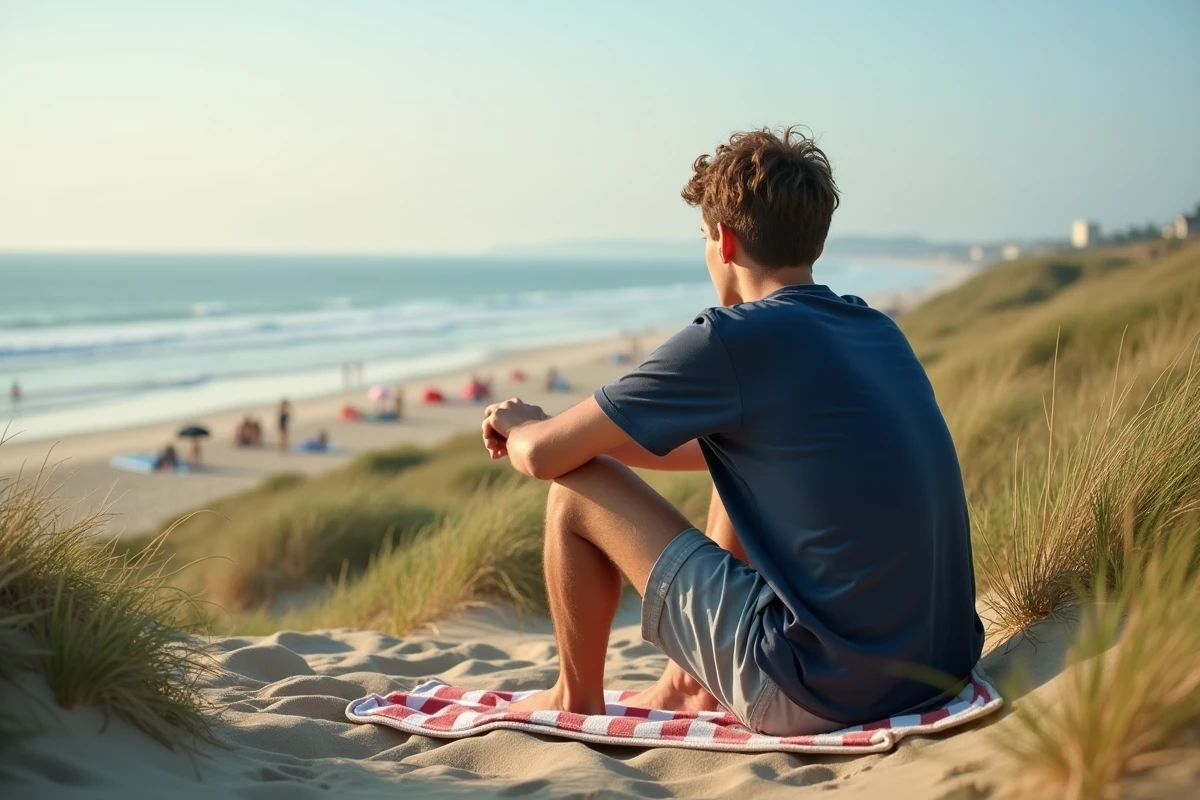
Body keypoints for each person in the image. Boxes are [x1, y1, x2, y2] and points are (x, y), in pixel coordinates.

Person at [479, 128, 983, 736]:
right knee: (731, 444)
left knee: (575, 491)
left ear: (725, 240)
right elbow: (758, 452)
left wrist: (521, 422)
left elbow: (544, 458)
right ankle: (685, 683)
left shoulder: (732, 338)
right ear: (812, 241)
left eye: (703, 237)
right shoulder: (876, 329)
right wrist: (603, 436)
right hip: (939, 668)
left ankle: (573, 696)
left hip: (819, 690)